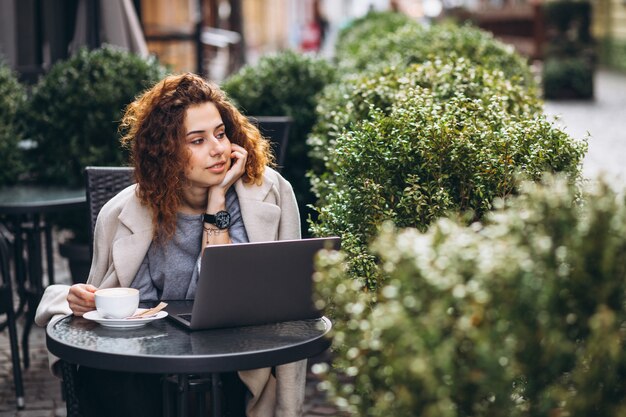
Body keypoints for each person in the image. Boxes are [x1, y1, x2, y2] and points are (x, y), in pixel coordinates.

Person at [35, 73, 305, 417]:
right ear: (167, 152)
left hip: (237, 361)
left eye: (221, 134)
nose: (218, 149)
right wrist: (82, 299)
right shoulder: (122, 213)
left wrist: (217, 200)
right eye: (197, 141)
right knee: (115, 383)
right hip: (149, 361)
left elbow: (222, 301)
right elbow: (131, 309)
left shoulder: (269, 195)